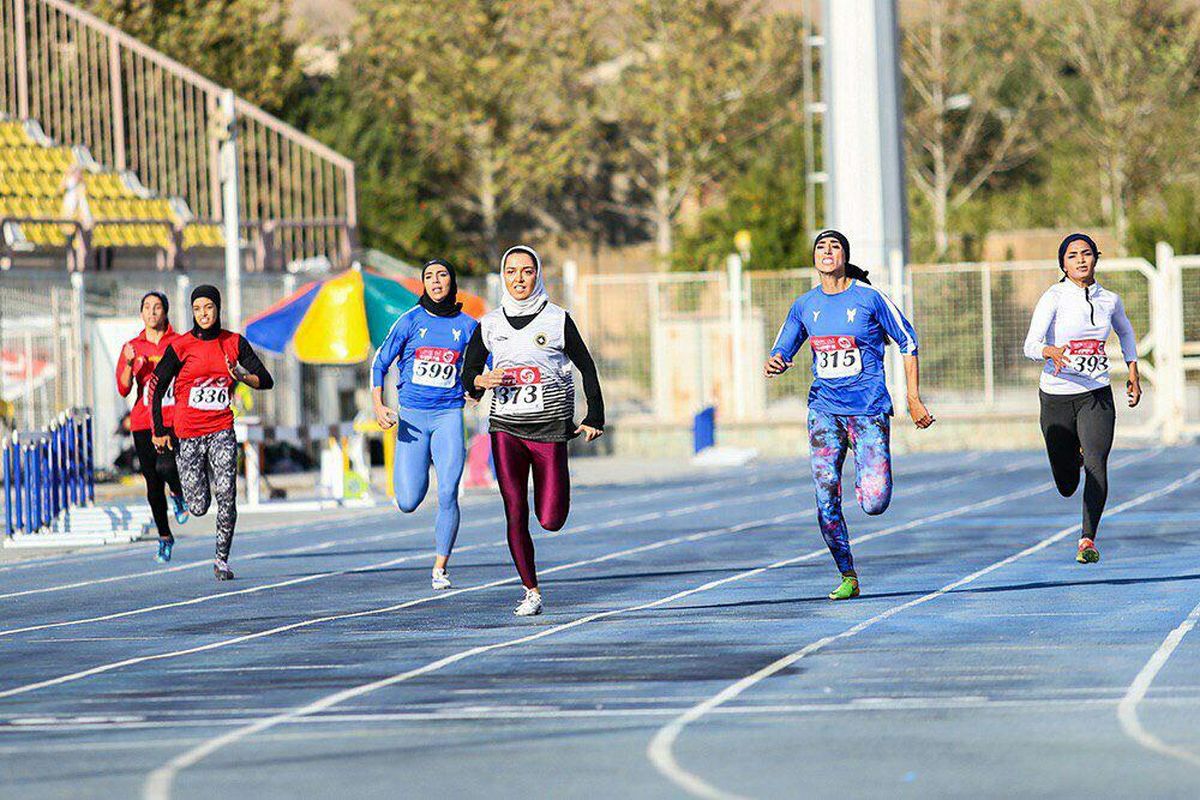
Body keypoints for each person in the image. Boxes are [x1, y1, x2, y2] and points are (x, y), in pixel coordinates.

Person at [765, 230, 935, 601]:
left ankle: (866, 475)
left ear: (845, 255)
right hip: (823, 411)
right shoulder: (804, 305)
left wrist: (913, 397)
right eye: (820, 247)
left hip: (868, 410)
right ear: (814, 258)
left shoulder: (870, 298)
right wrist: (777, 361)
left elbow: (908, 341)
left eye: (835, 246)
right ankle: (848, 573)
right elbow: (785, 345)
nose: (827, 252)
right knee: (825, 497)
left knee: (874, 502)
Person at [461, 245, 604, 616]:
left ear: (537, 274)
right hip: (505, 428)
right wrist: (480, 380)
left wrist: (595, 416)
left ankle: (549, 525)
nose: (519, 279)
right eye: (511, 272)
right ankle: (531, 590)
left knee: (551, 519)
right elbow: (469, 375)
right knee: (514, 509)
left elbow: (586, 367)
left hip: (550, 429)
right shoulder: (489, 324)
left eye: (526, 271)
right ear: (503, 277)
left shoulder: (557, 319)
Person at [1023, 232, 1140, 564]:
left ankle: (1087, 539)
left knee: (1097, 464)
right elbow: (1029, 345)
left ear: (1096, 258)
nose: (1080, 260)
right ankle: (1069, 456)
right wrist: (1048, 349)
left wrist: (1133, 369)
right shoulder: (1054, 297)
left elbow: (1126, 331)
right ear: (1063, 263)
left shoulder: (1110, 300)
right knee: (1065, 484)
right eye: (1072, 255)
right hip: (1057, 396)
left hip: (1096, 394)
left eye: (1086, 253)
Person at [151, 285, 274, 580]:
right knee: (198, 506)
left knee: (227, 495)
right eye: (197, 309)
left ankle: (222, 559)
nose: (203, 314)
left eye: (208, 307)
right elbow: (156, 385)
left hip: (221, 430)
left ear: (217, 308)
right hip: (188, 433)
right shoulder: (181, 346)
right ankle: (182, 491)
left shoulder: (233, 342)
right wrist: (159, 428)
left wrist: (241, 376)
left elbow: (266, 380)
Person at [371, 259, 477, 590]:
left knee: (448, 492)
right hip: (413, 419)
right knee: (407, 500)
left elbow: (484, 366)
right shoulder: (409, 321)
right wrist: (378, 404)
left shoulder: (469, 326)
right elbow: (380, 363)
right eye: (429, 276)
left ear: (452, 282)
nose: (435, 281)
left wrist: (479, 388)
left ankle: (440, 567)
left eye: (442, 274)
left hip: (448, 416)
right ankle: (413, 477)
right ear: (423, 284)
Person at [115, 291, 188, 563]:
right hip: (143, 420)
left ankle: (179, 494)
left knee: (166, 466)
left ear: (166, 312)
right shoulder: (132, 346)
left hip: (172, 419)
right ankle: (165, 536)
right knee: (152, 484)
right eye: (147, 307)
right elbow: (123, 388)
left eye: (157, 307)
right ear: (141, 313)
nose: (152, 312)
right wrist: (131, 364)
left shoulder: (179, 343)